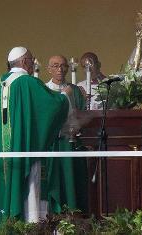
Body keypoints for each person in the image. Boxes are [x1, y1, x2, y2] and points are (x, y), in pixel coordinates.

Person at [0, 47, 71, 228]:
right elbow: (51, 106)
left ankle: (7, 224)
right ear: (25, 61)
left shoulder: (3, 84)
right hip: (25, 149)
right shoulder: (27, 82)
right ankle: (31, 225)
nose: (33, 64)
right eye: (32, 60)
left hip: (4, 152)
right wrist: (65, 96)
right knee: (30, 188)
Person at [46, 55, 88, 213]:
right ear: (48, 69)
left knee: (74, 182)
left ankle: (75, 215)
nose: (60, 69)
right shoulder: (44, 90)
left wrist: (79, 123)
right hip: (54, 143)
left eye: (63, 66)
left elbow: (82, 114)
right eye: (55, 66)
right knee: (56, 181)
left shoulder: (75, 90)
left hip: (72, 143)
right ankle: (55, 215)